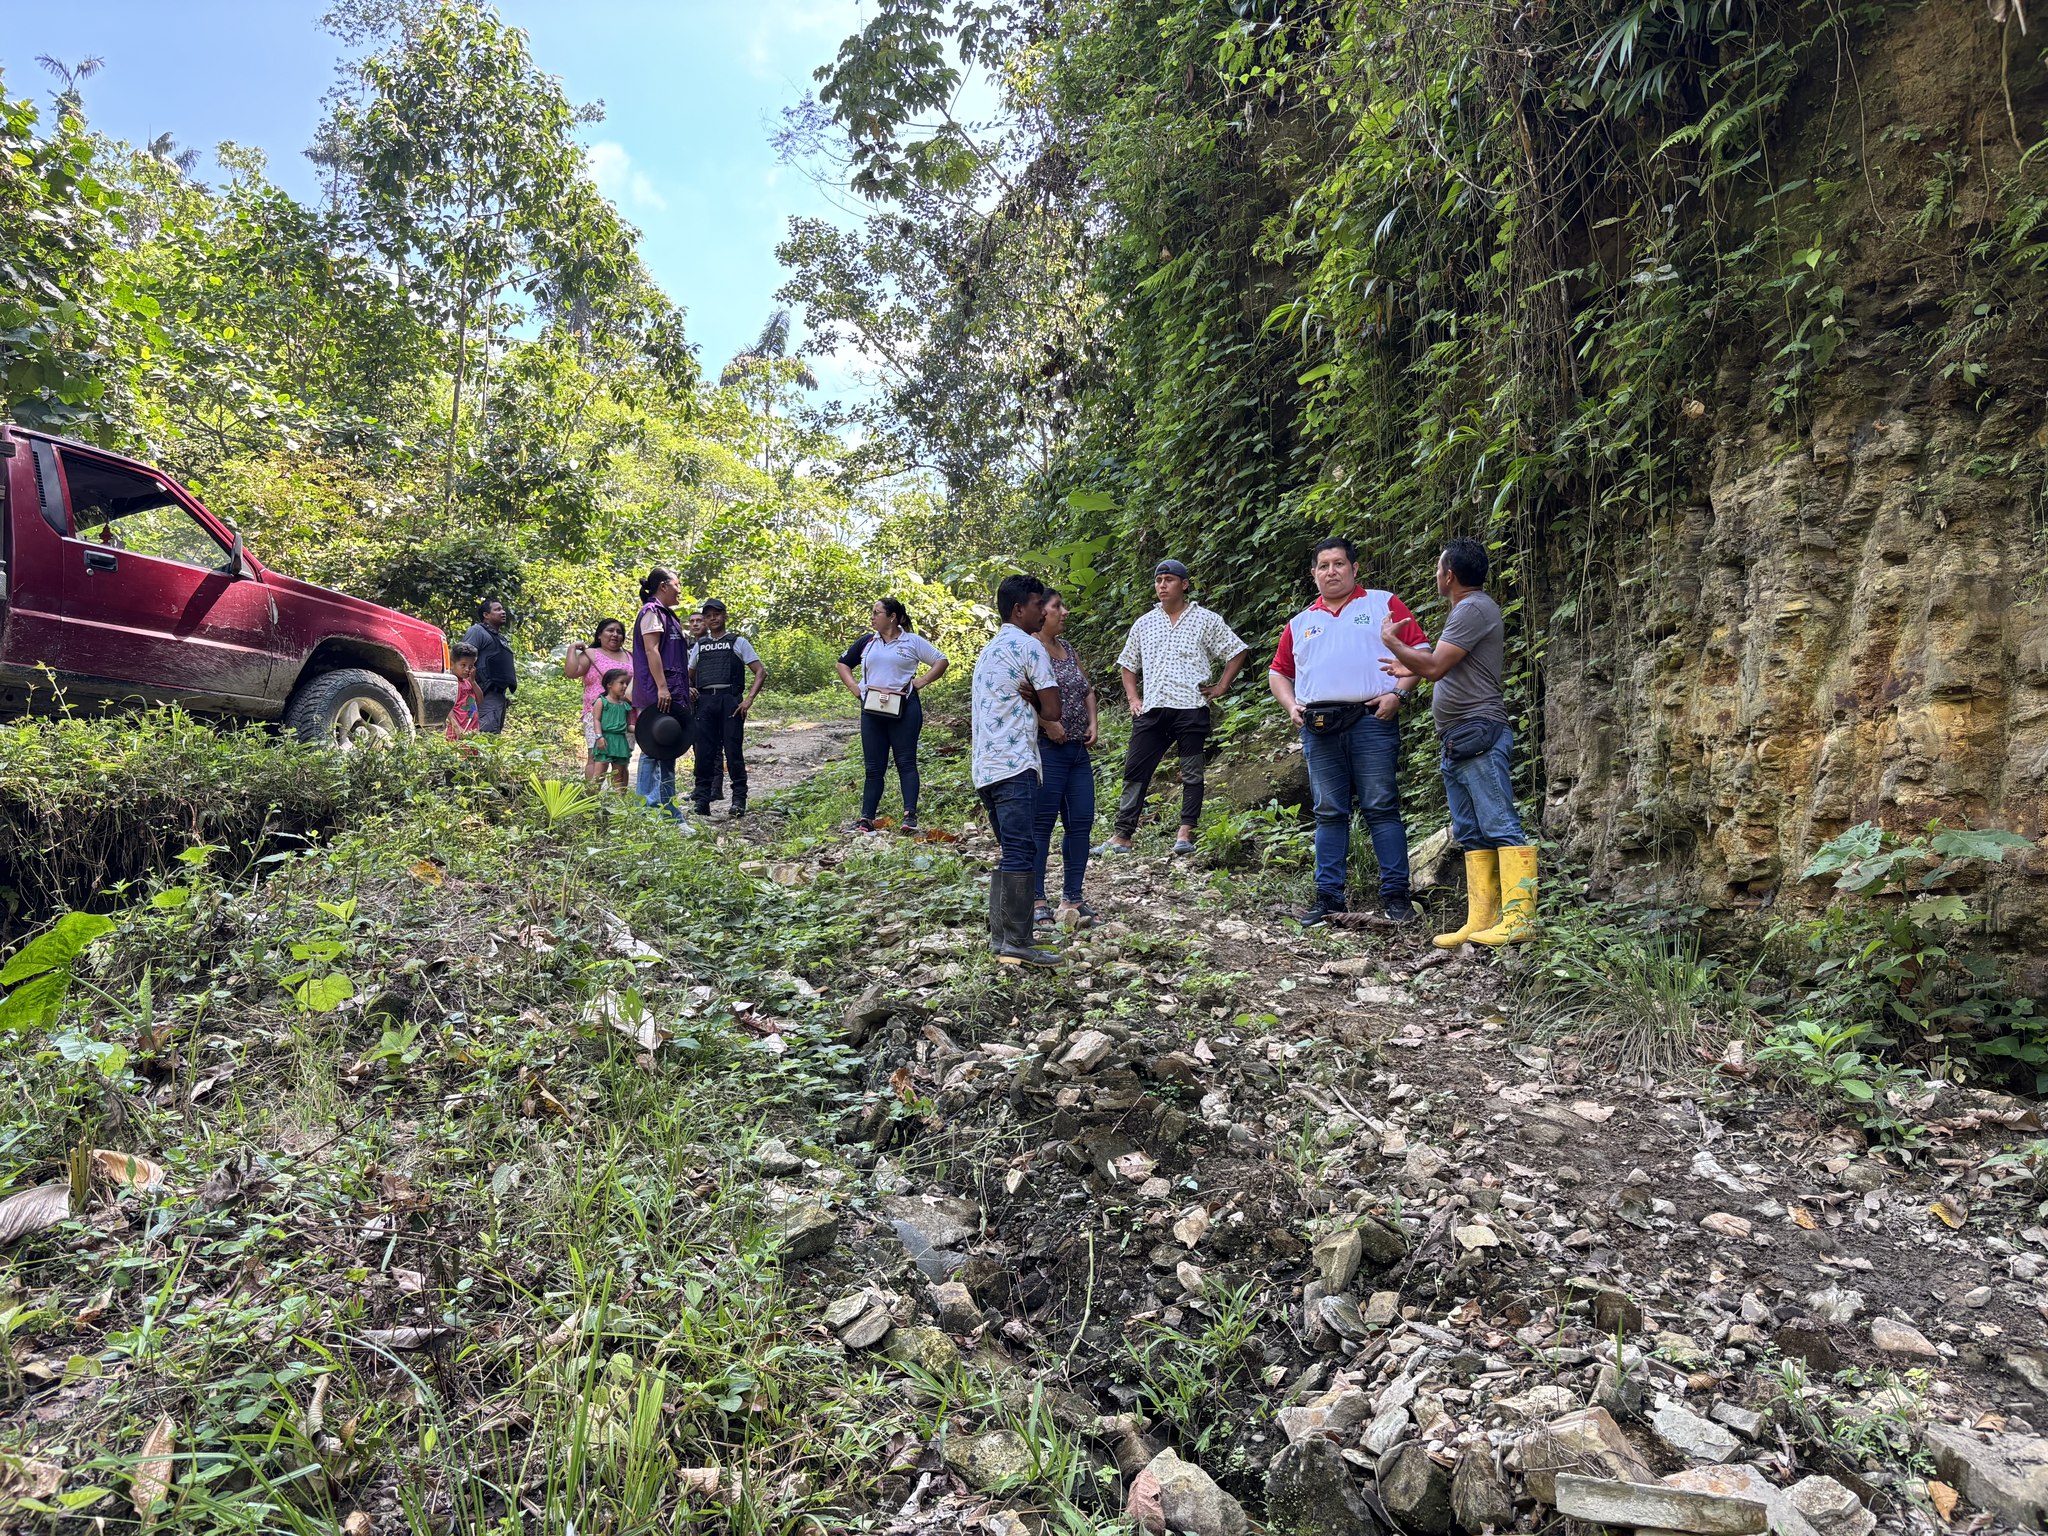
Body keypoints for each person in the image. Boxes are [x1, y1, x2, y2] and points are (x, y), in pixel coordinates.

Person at [1266, 537, 1432, 927]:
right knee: (1328, 812)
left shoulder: (1382, 603)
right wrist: (1290, 706)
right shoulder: (1301, 623)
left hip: (1372, 718)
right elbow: (1278, 672)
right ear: (1313, 574)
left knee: (1381, 806)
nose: (1331, 572)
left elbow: (1422, 652)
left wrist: (1398, 694)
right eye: (1323, 566)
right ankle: (1328, 898)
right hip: (1319, 725)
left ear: (1354, 568)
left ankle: (1396, 896)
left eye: (1339, 564)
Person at [1380, 537, 1536, 946]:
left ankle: (1520, 919)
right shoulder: (1467, 609)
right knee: (1470, 830)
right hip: (1459, 737)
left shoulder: (1472, 608)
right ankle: (1480, 921)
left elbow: (1434, 668)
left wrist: (1393, 642)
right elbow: (1444, 665)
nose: (1436, 574)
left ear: (1449, 575)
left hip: (1478, 730)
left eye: (1438, 568)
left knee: (1499, 823)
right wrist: (1406, 664)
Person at [1099, 559, 1248, 856]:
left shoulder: (1206, 620)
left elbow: (1236, 650)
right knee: (1135, 769)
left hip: (1190, 706)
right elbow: (1128, 664)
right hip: (1153, 708)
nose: (1162, 585)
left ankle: (1185, 833)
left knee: (1191, 771)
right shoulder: (1144, 623)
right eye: (1158, 580)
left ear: (1184, 584)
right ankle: (1122, 835)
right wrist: (1133, 699)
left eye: (1168, 579)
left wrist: (1221, 686)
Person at [971, 574, 1065, 966]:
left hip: (985, 768)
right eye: (1038, 603)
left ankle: (1002, 938)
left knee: (1011, 850)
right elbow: (1054, 710)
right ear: (1018, 609)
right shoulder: (1029, 646)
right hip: (1015, 764)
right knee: (1022, 851)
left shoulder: (990, 649)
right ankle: (1017, 940)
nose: (1044, 611)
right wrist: (1038, 700)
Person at [837, 598, 949, 834]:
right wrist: (855, 688)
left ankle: (910, 816)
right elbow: (843, 664)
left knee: (906, 762)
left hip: (904, 707)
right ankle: (866, 819)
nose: (872, 617)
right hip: (872, 709)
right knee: (873, 767)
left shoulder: (912, 641)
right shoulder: (867, 642)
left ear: (892, 617)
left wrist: (921, 681)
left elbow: (941, 660)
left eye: (876, 613)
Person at [1028, 589, 1099, 929]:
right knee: (1041, 826)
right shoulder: (1030, 648)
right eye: (1057, 606)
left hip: (1077, 751)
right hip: (1047, 750)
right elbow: (1021, 695)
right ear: (1040, 611)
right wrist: (1047, 723)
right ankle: (1036, 900)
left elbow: (1087, 690)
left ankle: (1073, 897)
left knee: (1081, 821)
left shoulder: (1068, 649)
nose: (1065, 612)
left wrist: (1093, 722)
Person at [691, 600, 765, 818]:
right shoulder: (700, 646)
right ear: (705, 620)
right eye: (708, 615)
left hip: (730, 701)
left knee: (733, 751)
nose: (713, 618)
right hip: (705, 701)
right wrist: (688, 688)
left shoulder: (738, 642)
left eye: (717, 614)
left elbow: (760, 672)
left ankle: (739, 800)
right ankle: (702, 800)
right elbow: (689, 674)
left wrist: (748, 699)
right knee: (704, 752)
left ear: (725, 616)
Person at [630, 569, 693, 817]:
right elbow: (651, 651)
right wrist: (662, 687)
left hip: (673, 690)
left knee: (669, 746)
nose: (680, 590)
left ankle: (667, 811)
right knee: (653, 747)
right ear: (664, 586)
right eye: (677, 584)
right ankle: (647, 810)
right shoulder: (651, 612)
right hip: (658, 692)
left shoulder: (668, 615)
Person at [564, 617, 632, 787]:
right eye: (610, 630)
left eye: (619, 632)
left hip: (624, 713)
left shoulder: (630, 656)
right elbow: (572, 672)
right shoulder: (592, 654)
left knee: (622, 760)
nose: (615, 634)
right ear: (599, 635)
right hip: (597, 712)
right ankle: (592, 798)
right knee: (596, 757)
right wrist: (572, 648)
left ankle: (620, 800)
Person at [461, 599, 517, 733]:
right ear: (486, 615)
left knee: (492, 737)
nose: (503, 612)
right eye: (497, 609)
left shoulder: (500, 638)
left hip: (498, 695)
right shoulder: (477, 631)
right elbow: (464, 657)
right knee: (483, 736)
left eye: (502, 609)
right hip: (484, 693)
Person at [593, 669, 636, 791]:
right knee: (599, 774)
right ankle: (591, 798)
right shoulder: (601, 701)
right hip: (605, 740)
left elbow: (628, 726)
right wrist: (599, 736)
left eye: (626, 683)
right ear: (609, 684)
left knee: (619, 776)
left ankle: (619, 800)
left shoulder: (624, 705)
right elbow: (596, 720)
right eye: (621, 683)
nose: (625, 686)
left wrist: (641, 729)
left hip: (620, 742)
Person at [445, 642, 481, 741]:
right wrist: (456, 727)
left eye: (470, 666)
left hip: (472, 732)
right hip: (457, 732)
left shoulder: (468, 682)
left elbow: (480, 700)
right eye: (463, 665)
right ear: (452, 664)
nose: (467, 669)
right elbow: (447, 707)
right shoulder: (452, 684)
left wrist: (473, 682)